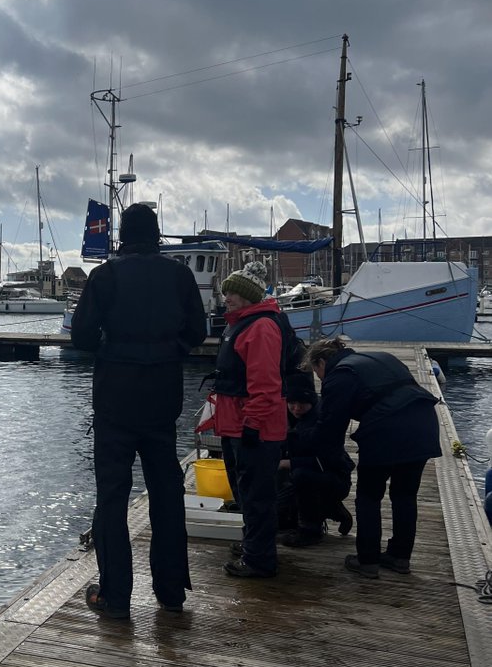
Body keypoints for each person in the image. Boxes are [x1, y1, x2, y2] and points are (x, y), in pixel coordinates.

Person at [70, 202, 207, 619]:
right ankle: (171, 592)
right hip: (162, 398)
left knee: (112, 496)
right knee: (166, 493)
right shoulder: (180, 275)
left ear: (122, 237)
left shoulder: (104, 276)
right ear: (157, 235)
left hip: (115, 398)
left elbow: (81, 336)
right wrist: (169, 353)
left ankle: (114, 598)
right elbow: (197, 333)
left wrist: (112, 350)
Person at [305, 337, 442, 578]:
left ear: (322, 362)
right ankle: (400, 557)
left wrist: (307, 450)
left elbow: (330, 427)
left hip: (386, 430)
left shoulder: (339, 376)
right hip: (424, 423)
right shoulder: (381, 358)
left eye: (316, 371)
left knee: (369, 496)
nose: (319, 378)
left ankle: (367, 560)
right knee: (405, 494)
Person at [213, 260, 289, 578]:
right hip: (236, 424)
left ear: (248, 297)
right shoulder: (241, 325)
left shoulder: (260, 328)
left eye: (232, 293)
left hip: (255, 428)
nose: (226, 297)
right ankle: (254, 545)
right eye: (226, 291)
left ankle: (259, 559)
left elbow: (266, 385)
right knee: (246, 492)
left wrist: (252, 425)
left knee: (257, 495)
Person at [276, 370, 354, 547]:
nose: (296, 408)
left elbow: (326, 460)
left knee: (300, 475)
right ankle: (333, 510)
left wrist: (289, 463)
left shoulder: (321, 422)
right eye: (292, 403)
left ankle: (311, 530)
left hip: (333, 476)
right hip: (303, 475)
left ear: (311, 401)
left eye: (302, 404)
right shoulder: (291, 418)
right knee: (279, 511)